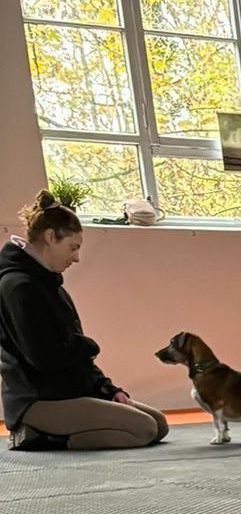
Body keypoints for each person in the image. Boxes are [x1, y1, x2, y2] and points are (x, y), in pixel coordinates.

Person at [1, 191, 168, 451]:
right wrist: (88, 345)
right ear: (50, 237)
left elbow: (76, 356)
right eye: (73, 247)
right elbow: (44, 358)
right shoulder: (18, 287)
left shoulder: (50, 285)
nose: (77, 258)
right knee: (143, 429)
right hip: (38, 400)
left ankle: (61, 430)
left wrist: (108, 389)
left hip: (66, 391)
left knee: (158, 424)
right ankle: (42, 437)